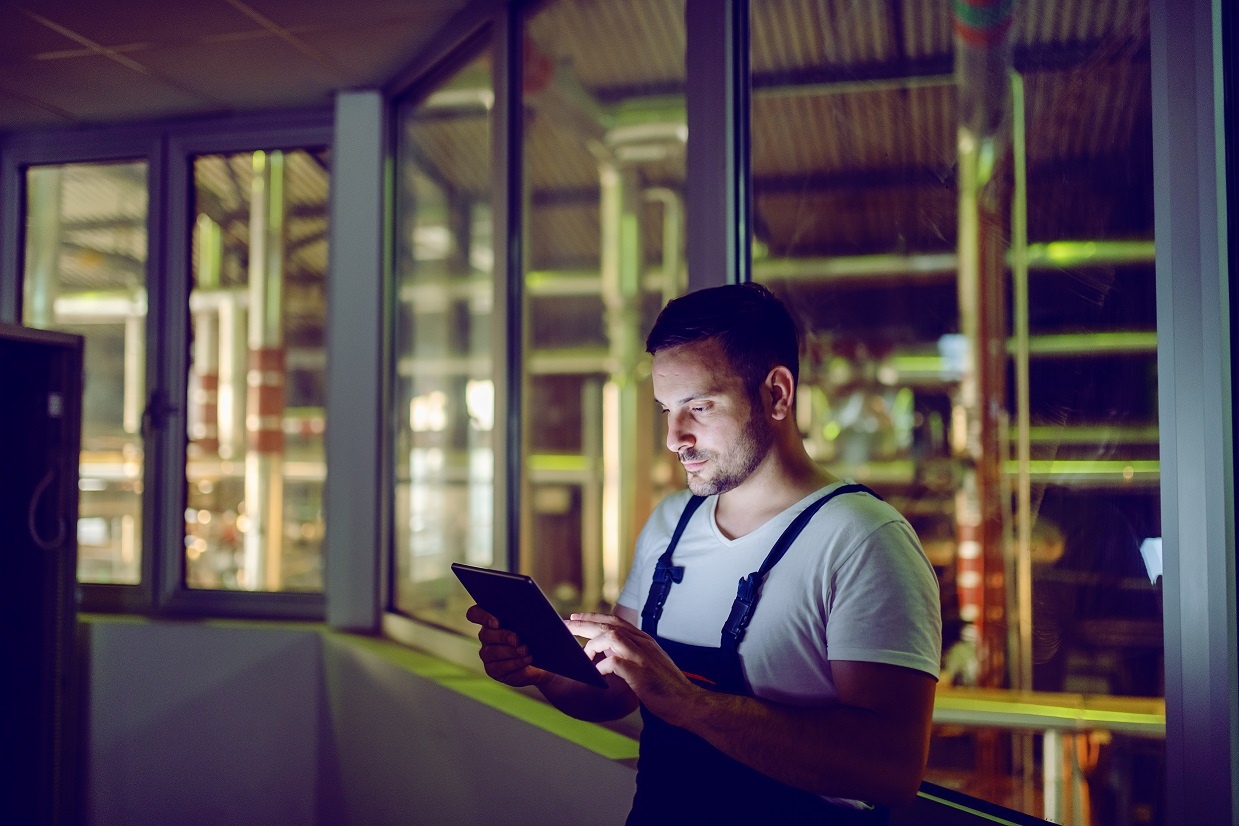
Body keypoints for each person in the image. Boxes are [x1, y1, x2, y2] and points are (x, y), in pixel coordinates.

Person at [468, 284, 942, 824]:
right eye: (667, 409)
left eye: (699, 406)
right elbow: (616, 693)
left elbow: (892, 771)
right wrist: (542, 669)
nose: (674, 436)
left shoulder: (863, 540)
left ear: (777, 394)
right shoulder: (673, 521)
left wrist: (689, 704)